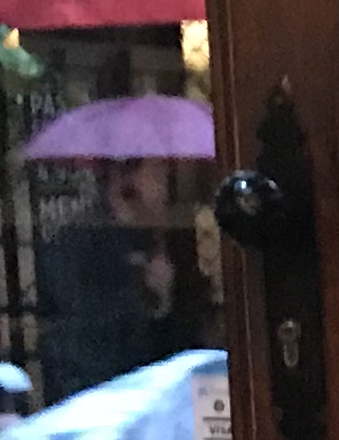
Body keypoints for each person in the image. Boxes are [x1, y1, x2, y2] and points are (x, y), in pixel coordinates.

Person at [34, 156, 209, 400]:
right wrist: (150, 299)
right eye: (156, 171)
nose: (163, 184)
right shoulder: (80, 248)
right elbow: (88, 345)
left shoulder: (166, 240)